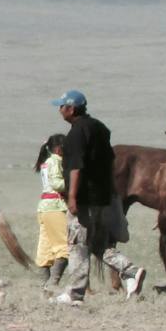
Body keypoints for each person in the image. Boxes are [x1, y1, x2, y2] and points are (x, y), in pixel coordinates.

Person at [51, 90, 147, 305]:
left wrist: (73, 197)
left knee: (77, 243)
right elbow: (108, 162)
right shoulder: (100, 128)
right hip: (103, 197)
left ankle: (75, 293)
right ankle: (131, 271)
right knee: (97, 244)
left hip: (85, 198)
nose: (59, 110)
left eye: (61, 106)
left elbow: (76, 167)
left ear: (71, 109)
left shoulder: (76, 134)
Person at [34, 134, 69, 290]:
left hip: (44, 208)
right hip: (56, 206)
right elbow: (57, 183)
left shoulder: (45, 163)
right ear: (58, 148)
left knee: (45, 251)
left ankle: (45, 289)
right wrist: (74, 183)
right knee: (64, 248)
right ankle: (52, 284)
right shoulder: (56, 161)